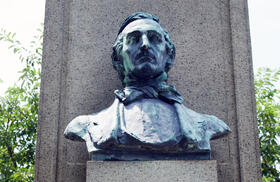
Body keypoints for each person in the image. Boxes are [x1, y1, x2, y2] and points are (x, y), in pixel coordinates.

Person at [64, 12, 230, 158]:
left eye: (154, 38)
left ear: (169, 55)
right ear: (118, 58)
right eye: (134, 39)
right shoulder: (87, 126)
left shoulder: (206, 125)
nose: (145, 45)